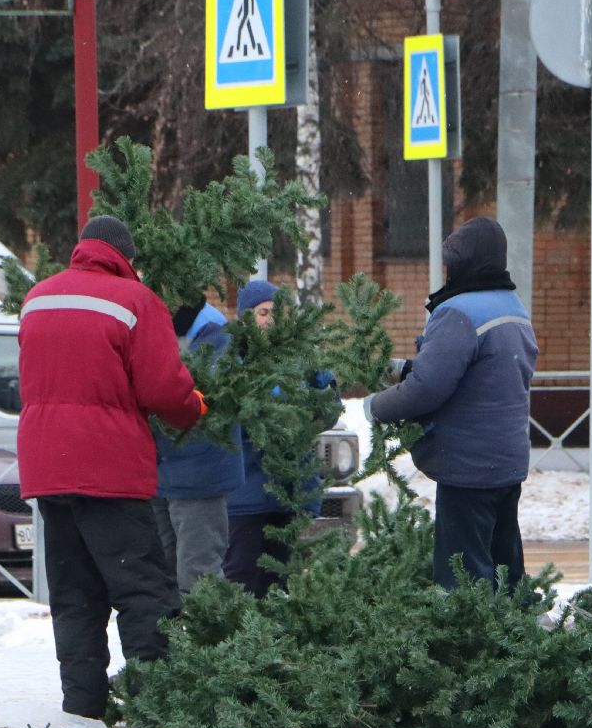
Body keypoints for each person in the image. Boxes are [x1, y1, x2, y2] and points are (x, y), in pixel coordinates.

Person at [17, 214, 206, 722]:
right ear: (126, 256)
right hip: (109, 470)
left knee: (74, 593)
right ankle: (157, 706)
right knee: (144, 590)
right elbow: (163, 389)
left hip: (48, 468)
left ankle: (81, 707)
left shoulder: (39, 297)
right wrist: (194, 408)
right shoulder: (135, 302)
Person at [366, 217, 538, 589]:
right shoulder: (512, 306)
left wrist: (372, 408)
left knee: (463, 577)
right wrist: (409, 368)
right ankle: (516, 642)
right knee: (504, 568)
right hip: (506, 462)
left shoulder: (459, 311)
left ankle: (469, 646)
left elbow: (428, 389)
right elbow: (486, 374)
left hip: (468, 467)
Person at [222, 279, 339, 597]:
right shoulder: (232, 359)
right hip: (247, 494)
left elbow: (328, 410)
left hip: (290, 491)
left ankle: (273, 643)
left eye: (277, 311)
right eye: (262, 312)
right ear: (245, 317)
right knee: (242, 575)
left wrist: (318, 394)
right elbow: (235, 413)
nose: (271, 319)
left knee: (279, 580)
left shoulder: (301, 358)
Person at [152, 298, 244, 595]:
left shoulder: (212, 331)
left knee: (198, 576)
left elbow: (208, 394)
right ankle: (170, 642)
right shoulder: (155, 321)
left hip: (199, 474)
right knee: (161, 576)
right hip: (160, 472)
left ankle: (207, 640)